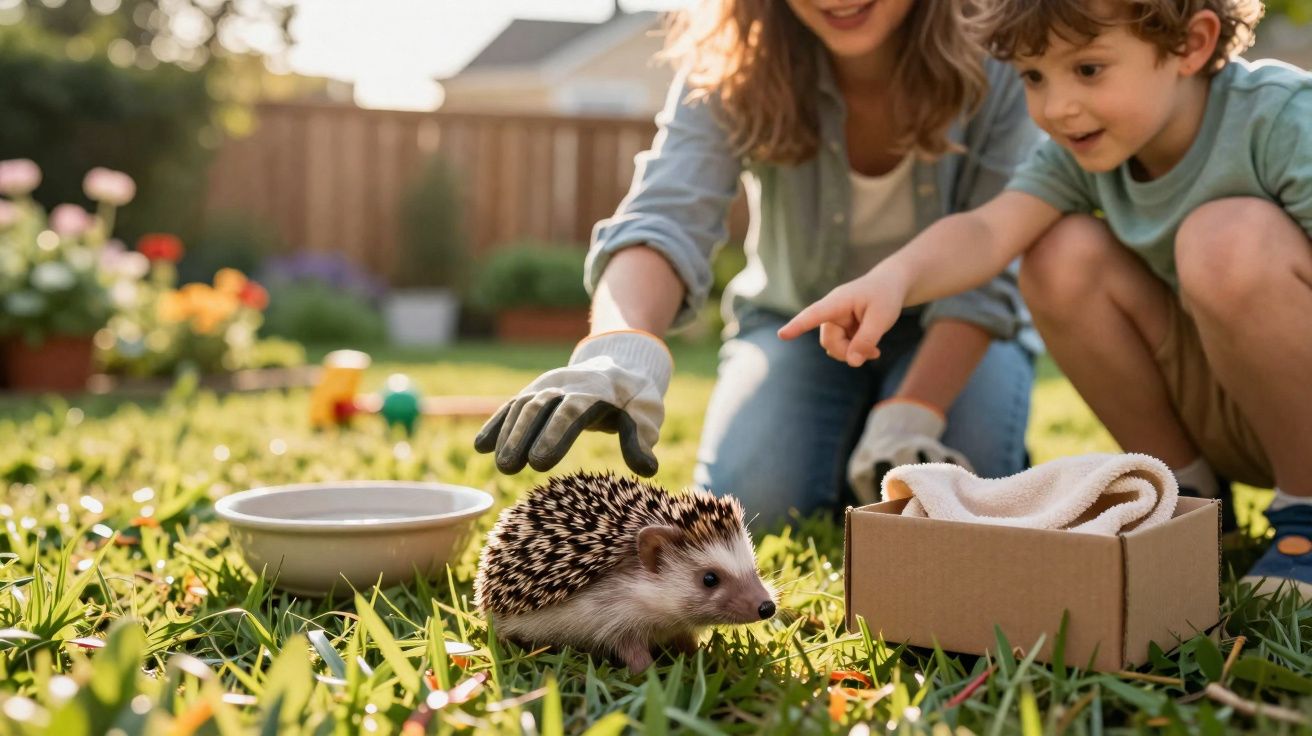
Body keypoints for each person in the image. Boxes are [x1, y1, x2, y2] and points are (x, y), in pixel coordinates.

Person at [778, 0, 1312, 593]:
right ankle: (1192, 504)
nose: (1057, 108)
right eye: (1034, 77)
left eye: (1088, 69)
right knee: (1058, 255)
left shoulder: (1281, 117)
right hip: (1234, 406)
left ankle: (1306, 518)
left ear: (1191, 44)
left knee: (1224, 241)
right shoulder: (1079, 153)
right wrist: (892, 280)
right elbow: (988, 231)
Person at [475, 0, 1042, 526]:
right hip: (794, 324)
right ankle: (850, 438)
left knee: (964, 498)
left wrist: (912, 412)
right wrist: (621, 349)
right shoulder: (731, 60)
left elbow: (993, 258)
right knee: (759, 501)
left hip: (956, 330)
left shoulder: (997, 50)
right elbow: (667, 215)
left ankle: (886, 418)